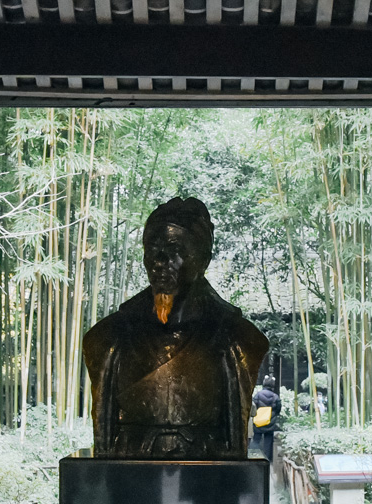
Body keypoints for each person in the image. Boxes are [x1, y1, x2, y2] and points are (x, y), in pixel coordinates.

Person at [82, 196, 269, 459]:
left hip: (206, 474)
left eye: (174, 249)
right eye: (153, 248)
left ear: (203, 259)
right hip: (130, 473)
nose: (159, 260)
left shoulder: (237, 339)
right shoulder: (109, 337)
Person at [250, 373, 281, 460]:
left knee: (256, 439)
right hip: (270, 422)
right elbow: (278, 409)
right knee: (268, 442)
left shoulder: (258, 395)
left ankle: (254, 458)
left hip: (258, 421)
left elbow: (253, 406)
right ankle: (266, 460)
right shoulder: (275, 397)